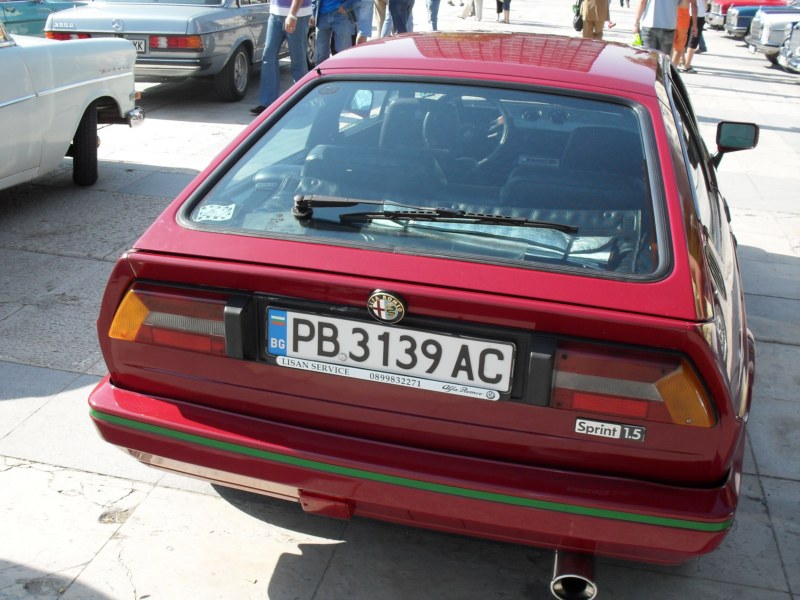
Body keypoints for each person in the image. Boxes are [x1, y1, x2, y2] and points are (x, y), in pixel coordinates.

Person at [251, 0, 312, 114]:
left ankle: (302, 103)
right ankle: (268, 104)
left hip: (297, 15)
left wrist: (292, 14)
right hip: (276, 13)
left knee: (298, 61)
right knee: (268, 57)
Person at [314, 0, 358, 64]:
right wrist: (314, 13)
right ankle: (322, 70)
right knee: (321, 54)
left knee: (344, 53)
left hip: (341, 15)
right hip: (321, 15)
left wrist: (346, 6)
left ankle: (343, 70)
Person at [682, 0, 706, 72]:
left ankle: (682, 60)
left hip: (686, 11)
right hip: (698, 12)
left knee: (684, 38)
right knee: (694, 39)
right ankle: (687, 65)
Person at [670, 0, 690, 66]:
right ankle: (673, 69)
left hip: (670, 19)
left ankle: (667, 68)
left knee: (669, 47)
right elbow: (694, 5)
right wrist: (695, 24)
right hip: (683, 21)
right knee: (678, 48)